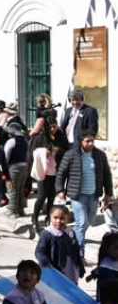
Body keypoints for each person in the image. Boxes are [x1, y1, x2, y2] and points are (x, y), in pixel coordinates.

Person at [56, 129, 114, 258]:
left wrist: (108, 194)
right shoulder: (71, 155)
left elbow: (107, 175)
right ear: (81, 141)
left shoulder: (100, 155)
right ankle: (79, 254)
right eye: (87, 141)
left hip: (93, 194)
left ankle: (72, 238)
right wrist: (60, 190)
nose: (90, 143)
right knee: (81, 223)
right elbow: (61, 173)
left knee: (89, 221)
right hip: (78, 195)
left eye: (92, 141)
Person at [29, 116, 68, 230]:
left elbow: (67, 151)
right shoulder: (40, 137)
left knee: (51, 196)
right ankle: (34, 218)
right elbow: (32, 152)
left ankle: (48, 218)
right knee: (41, 196)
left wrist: (57, 150)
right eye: (50, 127)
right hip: (43, 170)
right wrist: (43, 152)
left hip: (56, 170)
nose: (52, 129)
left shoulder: (61, 136)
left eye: (54, 126)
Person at [35, 205, 85, 286]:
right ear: (50, 217)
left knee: (70, 292)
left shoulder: (70, 232)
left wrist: (81, 267)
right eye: (55, 218)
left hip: (70, 270)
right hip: (54, 270)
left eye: (62, 218)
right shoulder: (47, 233)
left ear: (67, 219)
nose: (58, 221)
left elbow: (76, 250)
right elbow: (40, 251)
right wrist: (46, 263)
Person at [3, 122, 30, 220]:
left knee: (12, 188)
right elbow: (27, 155)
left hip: (13, 167)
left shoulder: (11, 141)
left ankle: (12, 210)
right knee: (20, 189)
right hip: (24, 167)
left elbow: (6, 155)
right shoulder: (25, 141)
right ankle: (21, 209)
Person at [86, 233, 118, 303]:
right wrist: (92, 275)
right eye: (116, 248)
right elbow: (99, 270)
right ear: (108, 249)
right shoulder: (105, 261)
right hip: (103, 295)